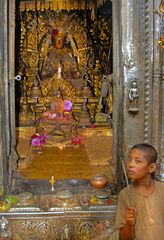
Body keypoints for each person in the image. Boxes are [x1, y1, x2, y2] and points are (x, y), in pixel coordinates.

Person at [115, 143, 164, 240]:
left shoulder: (162, 189)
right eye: (129, 159)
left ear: (151, 168)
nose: (130, 164)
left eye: (138, 161)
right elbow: (124, 238)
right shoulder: (125, 195)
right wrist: (129, 224)